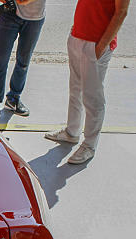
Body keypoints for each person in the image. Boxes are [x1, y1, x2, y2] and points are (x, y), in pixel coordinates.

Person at [44, 0, 129, 164]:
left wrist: (101, 46)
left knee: (92, 96)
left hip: (96, 43)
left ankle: (89, 145)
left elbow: (122, 12)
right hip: (78, 37)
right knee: (75, 89)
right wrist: (74, 31)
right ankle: (72, 132)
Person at [0, 0, 46, 119]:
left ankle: (14, 99)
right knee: (0, 62)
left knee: (23, 62)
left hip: (35, 18)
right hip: (10, 14)